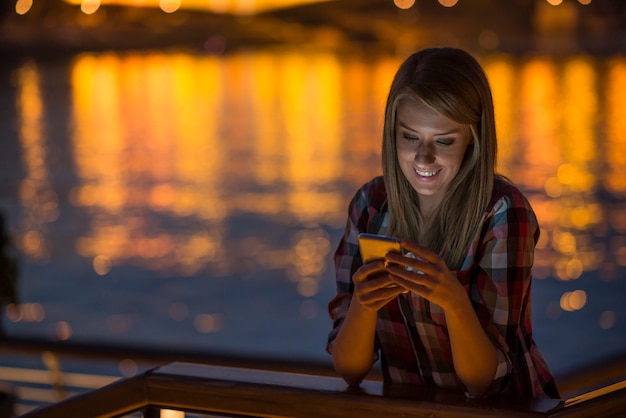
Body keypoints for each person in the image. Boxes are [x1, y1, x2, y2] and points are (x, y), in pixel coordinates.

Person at [326, 47, 559, 399]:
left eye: (444, 141)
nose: (424, 157)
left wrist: (453, 300)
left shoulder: (503, 213)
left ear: (474, 137)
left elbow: (483, 382)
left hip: (510, 409)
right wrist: (363, 302)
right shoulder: (369, 205)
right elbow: (350, 370)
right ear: (392, 132)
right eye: (409, 137)